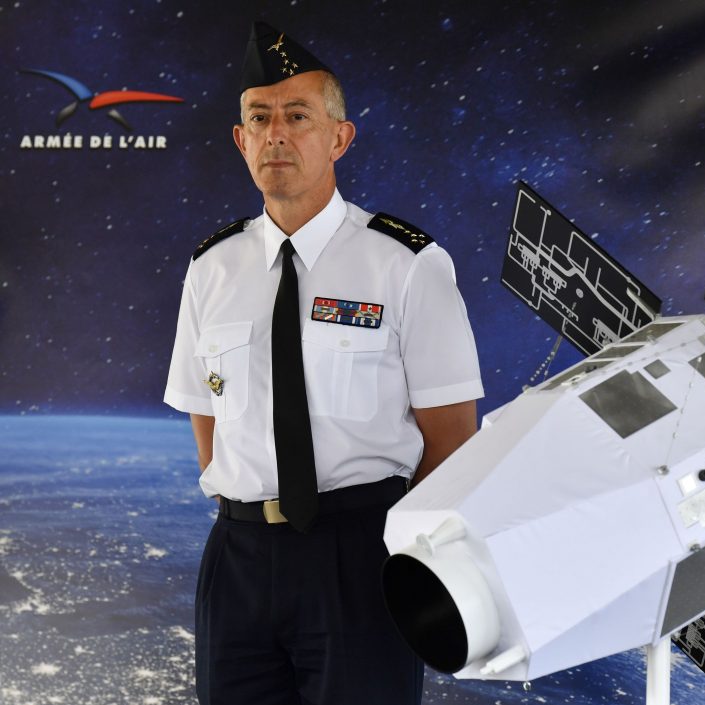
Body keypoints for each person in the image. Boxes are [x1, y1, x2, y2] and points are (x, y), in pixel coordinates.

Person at [163, 21, 483, 705]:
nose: (276, 133)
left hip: (360, 557)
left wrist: (393, 548)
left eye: (298, 115)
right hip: (238, 558)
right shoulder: (211, 268)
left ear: (339, 137)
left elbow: (454, 437)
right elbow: (206, 415)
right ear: (241, 139)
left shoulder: (406, 265)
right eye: (259, 118)